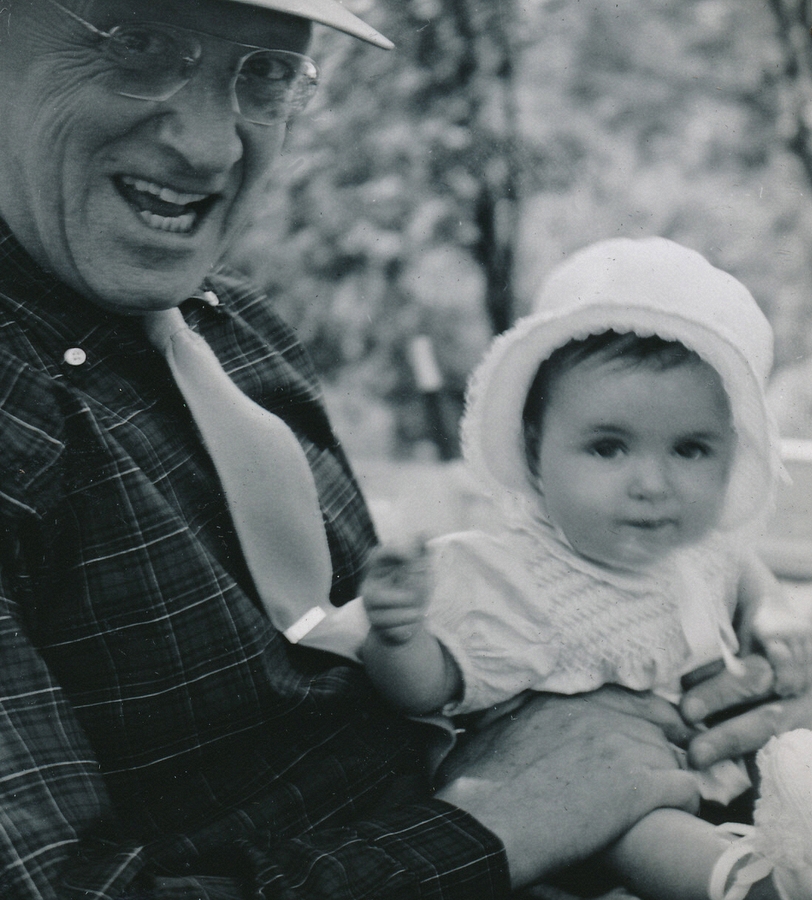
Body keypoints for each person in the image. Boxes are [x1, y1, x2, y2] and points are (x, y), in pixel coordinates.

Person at [0, 3, 722, 898]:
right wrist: (503, 824)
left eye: (263, 73)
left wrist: (688, 695)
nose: (214, 148)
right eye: (139, 49)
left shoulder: (239, 335)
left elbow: (387, 684)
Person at [360, 238, 812, 900]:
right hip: (586, 813)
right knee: (634, 825)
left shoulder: (699, 551)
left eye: (690, 449)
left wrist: (771, 610)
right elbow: (429, 688)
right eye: (609, 447)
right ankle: (740, 883)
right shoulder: (516, 577)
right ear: (535, 452)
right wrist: (399, 636)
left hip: (714, 769)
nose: (652, 483)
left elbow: (741, 574)